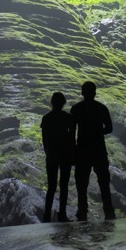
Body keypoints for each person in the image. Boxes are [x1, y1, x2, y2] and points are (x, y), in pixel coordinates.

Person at [71, 80, 115, 220]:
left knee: (81, 183)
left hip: (82, 149)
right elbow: (109, 128)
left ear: (82, 92)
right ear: (95, 93)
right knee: (103, 181)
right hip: (98, 149)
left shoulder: (76, 109)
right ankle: (108, 211)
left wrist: (73, 150)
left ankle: (82, 211)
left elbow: (72, 132)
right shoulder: (102, 108)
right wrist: (97, 132)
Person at [40, 91, 74, 222]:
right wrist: (72, 154)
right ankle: (62, 214)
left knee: (52, 186)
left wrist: (48, 153)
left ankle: (47, 215)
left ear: (52, 103)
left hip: (52, 155)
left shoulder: (46, 118)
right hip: (65, 154)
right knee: (64, 185)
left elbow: (45, 139)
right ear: (63, 103)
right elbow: (72, 138)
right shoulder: (68, 117)